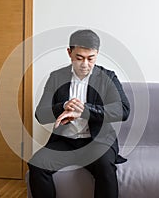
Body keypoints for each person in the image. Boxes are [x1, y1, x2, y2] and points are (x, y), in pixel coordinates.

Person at [28, 29, 130, 198]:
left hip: (98, 142)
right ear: (69, 53)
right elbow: (41, 114)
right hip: (65, 142)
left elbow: (124, 110)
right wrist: (63, 106)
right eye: (79, 57)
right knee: (36, 164)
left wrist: (85, 111)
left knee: (105, 168)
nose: (85, 64)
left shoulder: (108, 77)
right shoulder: (56, 77)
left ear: (97, 54)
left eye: (91, 58)